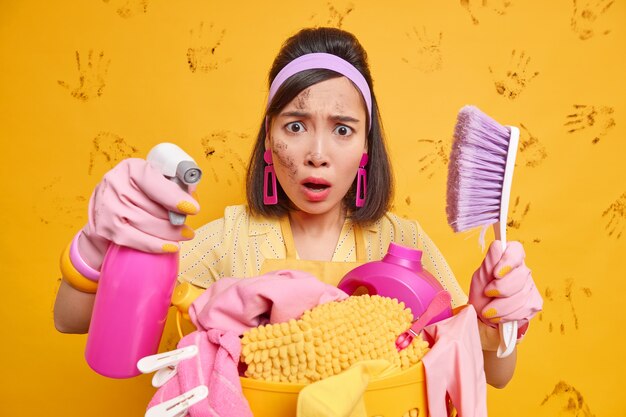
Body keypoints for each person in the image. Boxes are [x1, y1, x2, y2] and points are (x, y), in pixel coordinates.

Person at [54, 27, 542, 389]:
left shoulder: (404, 243)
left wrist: (496, 319)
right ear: (268, 139)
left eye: (343, 129)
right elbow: (73, 319)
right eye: (295, 125)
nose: (317, 153)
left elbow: (495, 374)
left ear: (366, 148)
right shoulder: (229, 239)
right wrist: (98, 247)